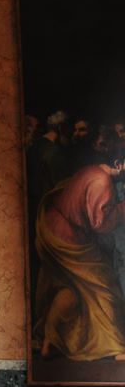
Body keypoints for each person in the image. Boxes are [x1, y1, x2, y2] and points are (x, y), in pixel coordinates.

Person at [34, 146, 125, 362]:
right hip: (67, 240)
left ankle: (49, 340)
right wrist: (122, 209)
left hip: (51, 226)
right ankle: (118, 346)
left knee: (70, 287)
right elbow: (100, 223)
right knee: (105, 286)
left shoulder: (91, 170)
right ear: (118, 165)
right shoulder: (101, 182)